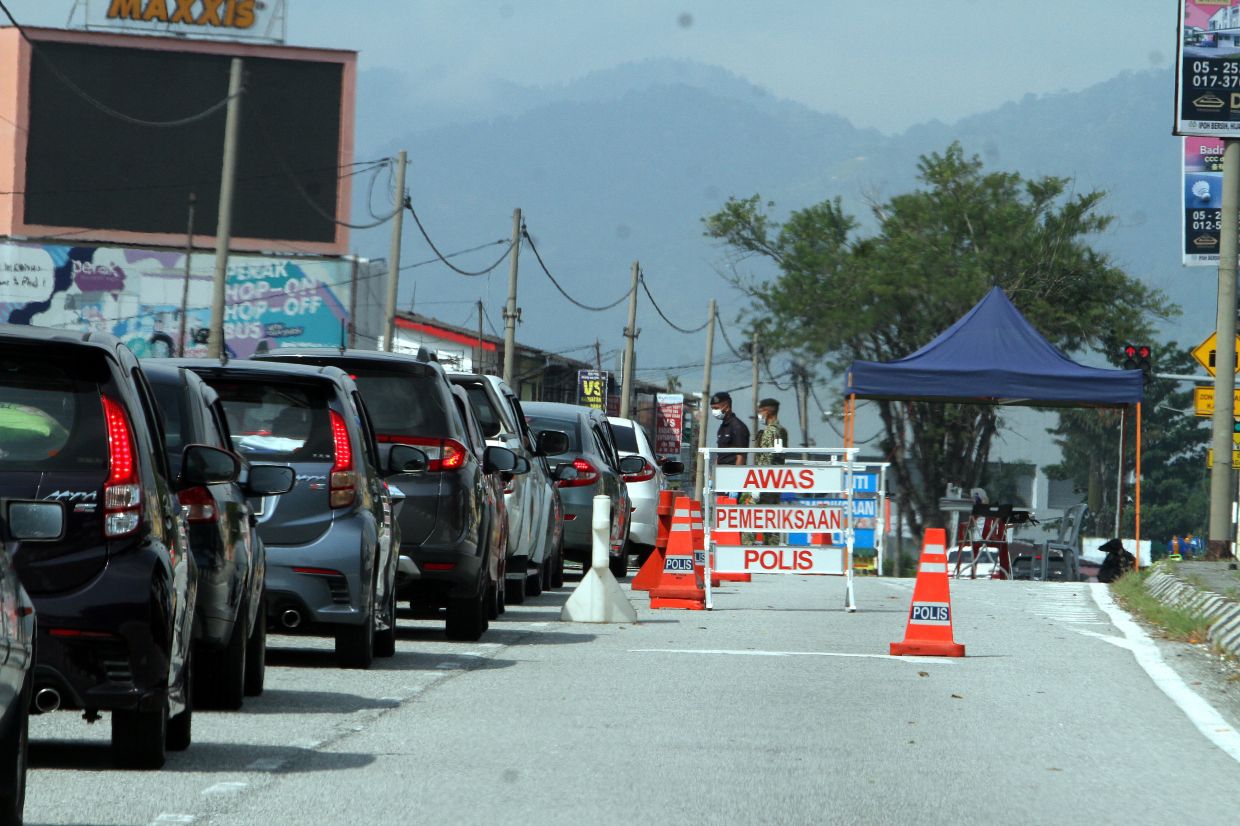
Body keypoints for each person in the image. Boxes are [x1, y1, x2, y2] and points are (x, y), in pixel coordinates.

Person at [753, 398, 787, 545]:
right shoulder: (782, 431)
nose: (759, 415)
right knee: (772, 522)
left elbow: (765, 460)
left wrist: (757, 485)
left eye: (760, 412)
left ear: (766, 412)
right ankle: (773, 553)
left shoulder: (769, 431)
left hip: (765, 484)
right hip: (776, 483)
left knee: (755, 522)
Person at [710, 391, 749, 466]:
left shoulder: (738, 427)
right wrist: (714, 473)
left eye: (716, 408)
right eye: (712, 409)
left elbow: (741, 456)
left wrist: (736, 474)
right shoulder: (723, 426)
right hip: (721, 470)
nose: (714, 411)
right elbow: (720, 455)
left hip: (731, 471)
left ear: (727, 407)